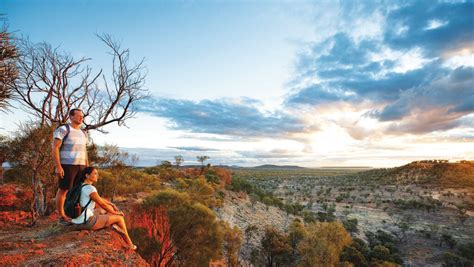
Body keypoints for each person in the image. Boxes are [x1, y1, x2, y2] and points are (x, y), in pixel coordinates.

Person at [73, 166, 136, 250]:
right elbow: (102, 204)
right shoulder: (90, 188)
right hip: (86, 222)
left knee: (103, 210)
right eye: (95, 173)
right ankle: (130, 243)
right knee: (120, 218)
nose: (97, 175)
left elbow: (99, 199)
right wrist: (115, 213)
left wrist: (112, 204)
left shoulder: (81, 186)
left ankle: (110, 224)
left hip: (78, 219)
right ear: (87, 176)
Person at [53, 108, 88, 225]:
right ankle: (61, 216)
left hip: (81, 165)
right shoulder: (63, 129)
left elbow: (84, 150)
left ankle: (76, 214)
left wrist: (87, 167)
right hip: (68, 165)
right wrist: (58, 167)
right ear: (71, 117)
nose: (81, 118)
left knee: (79, 190)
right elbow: (55, 148)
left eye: (82, 116)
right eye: (78, 116)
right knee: (63, 190)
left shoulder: (84, 133)